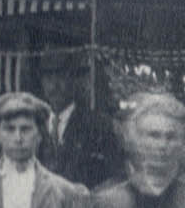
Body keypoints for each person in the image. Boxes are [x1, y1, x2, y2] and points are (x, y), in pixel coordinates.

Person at [38, 51, 125, 191]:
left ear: (74, 80)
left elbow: (114, 177)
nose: (54, 85)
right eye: (48, 77)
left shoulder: (97, 126)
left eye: (62, 76)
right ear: (42, 82)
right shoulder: (35, 124)